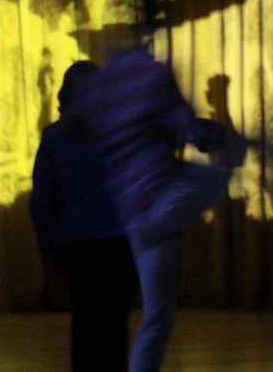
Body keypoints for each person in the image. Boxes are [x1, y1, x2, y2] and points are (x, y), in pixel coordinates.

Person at [77, 49, 237, 372]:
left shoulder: (102, 85)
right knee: (220, 176)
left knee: (158, 315)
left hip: (132, 212)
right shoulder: (153, 75)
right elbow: (191, 131)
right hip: (160, 197)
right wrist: (227, 140)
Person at [30, 60, 138, 372]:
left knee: (85, 321)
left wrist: (46, 243)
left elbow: (43, 199)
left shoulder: (54, 137)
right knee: (115, 325)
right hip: (121, 241)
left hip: (76, 243)